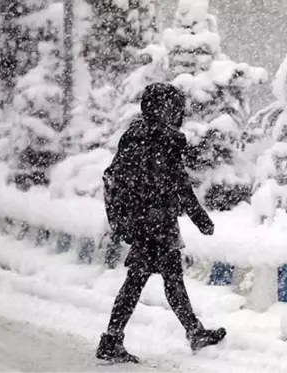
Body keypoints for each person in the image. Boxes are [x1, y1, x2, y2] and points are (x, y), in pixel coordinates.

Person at [96, 83, 226, 363]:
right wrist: (200, 218)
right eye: (174, 107)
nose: (178, 112)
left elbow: (122, 177)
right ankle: (112, 338)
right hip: (155, 222)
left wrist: (128, 218)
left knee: (162, 278)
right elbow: (179, 183)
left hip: (142, 221)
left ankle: (192, 331)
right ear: (162, 108)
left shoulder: (133, 135)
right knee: (147, 280)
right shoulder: (163, 138)